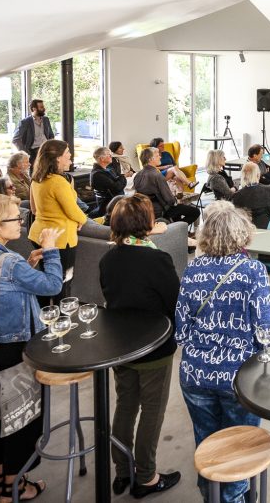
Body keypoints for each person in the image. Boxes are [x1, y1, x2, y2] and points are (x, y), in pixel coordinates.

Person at [174, 201, 270, 503]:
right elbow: (265, 331)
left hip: (195, 373)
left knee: (206, 440)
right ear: (243, 234)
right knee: (240, 447)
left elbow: (181, 330)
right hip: (239, 377)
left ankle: (211, 494)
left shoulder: (193, 269)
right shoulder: (253, 271)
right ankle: (232, 496)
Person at [0, 194, 63, 503]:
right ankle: (15, 487)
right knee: (22, 419)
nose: (20, 221)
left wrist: (29, 265)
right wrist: (50, 249)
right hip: (18, 348)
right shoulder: (9, 263)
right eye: (14, 218)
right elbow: (53, 285)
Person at [98, 195, 182, 497]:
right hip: (153, 347)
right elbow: (174, 302)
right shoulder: (157, 260)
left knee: (125, 405)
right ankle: (146, 476)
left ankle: (122, 470)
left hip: (121, 346)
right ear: (146, 223)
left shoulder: (108, 259)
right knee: (152, 412)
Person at [28, 140, 88, 297]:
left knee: (44, 280)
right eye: (67, 152)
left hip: (39, 235)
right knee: (63, 282)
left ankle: (44, 311)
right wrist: (82, 220)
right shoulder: (59, 182)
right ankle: (61, 312)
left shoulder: (37, 179)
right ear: (57, 158)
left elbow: (34, 209)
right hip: (60, 238)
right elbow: (73, 211)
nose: (70, 155)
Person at [133, 147, 201, 226]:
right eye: (157, 155)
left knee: (178, 212)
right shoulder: (157, 175)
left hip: (145, 211)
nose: (160, 157)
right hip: (161, 211)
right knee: (195, 211)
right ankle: (177, 229)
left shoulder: (137, 176)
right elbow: (170, 200)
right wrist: (177, 199)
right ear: (150, 159)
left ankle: (175, 226)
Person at [231, 162, 270, 229]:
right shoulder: (269, 190)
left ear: (243, 176)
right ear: (258, 175)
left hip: (246, 228)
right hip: (268, 227)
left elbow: (235, 216)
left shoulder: (237, 196)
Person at [11, 99, 56, 166]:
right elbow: (15, 139)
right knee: (35, 171)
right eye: (41, 107)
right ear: (34, 109)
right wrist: (25, 153)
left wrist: (52, 147)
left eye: (43, 107)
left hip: (46, 151)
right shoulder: (25, 122)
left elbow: (51, 135)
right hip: (33, 152)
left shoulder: (46, 119)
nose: (44, 109)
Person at [90, 146, 127, 220]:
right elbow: (117, 188)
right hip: (108, 207)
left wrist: (121, 177)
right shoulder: (97, 174)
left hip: (112, 202)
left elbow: (118, 181)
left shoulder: (107, 170)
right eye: (109, 155)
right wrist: (123, 177)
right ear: (102, 158)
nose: (111, 156)